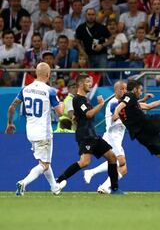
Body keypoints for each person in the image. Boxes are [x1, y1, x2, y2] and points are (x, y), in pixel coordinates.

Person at [55, 74, 123, 194]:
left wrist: (76, 117)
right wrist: (101, 105)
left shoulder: (84, 100)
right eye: (87, 82)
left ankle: (114, 188)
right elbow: (89, 114)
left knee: (112, 157)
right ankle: (58, 180)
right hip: (86, 136)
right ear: (80, 84)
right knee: (84, 162)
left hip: (93, 135)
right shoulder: (77, 99)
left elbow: (79, 116)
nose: (90, 84)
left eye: (90, 82)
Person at [5, 62, 65, 196]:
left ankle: (54, 187)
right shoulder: (49, 90)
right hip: (43, 133)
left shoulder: (25, 89)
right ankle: (23, 183)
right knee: (44, 164)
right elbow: (60, 112)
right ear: (48, 75)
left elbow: (12, 107)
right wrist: (62, 102)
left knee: (44, 161)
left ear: (36, 73)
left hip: (30, 132)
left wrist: (10, 123)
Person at [83, 81, 153, 193]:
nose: (125, 91)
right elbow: (123, 106)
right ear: (116, 90)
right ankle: (94, 174)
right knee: (121, 161)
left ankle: (103, 185)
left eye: (126, 89)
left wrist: (143, 100)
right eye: (122, 89)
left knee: (123, 169)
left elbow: (130, 104)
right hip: (112, 137)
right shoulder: (113, 103)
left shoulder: (121, 102)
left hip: (117, 138)